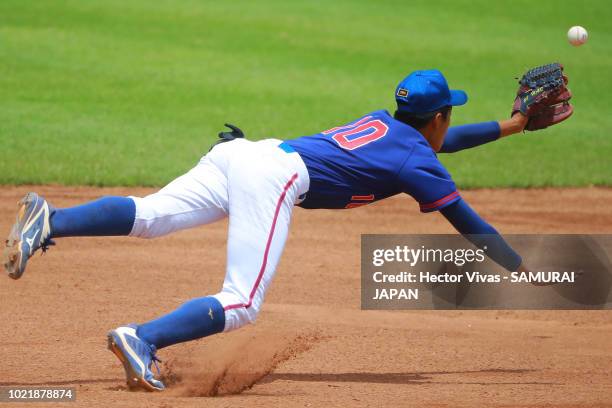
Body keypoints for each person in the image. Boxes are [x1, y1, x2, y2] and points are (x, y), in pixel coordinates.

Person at [4, 69, 539, 391]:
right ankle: (141, 338)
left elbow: (439, 143)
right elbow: (471, 225)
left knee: (149, 216)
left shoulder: (389, 123)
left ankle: (51, 220)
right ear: (439, 115)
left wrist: (512, 126)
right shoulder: (416, 161)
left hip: (244, 153)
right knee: (242, 302)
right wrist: (523, 265)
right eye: (450, 114)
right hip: (276, 177)